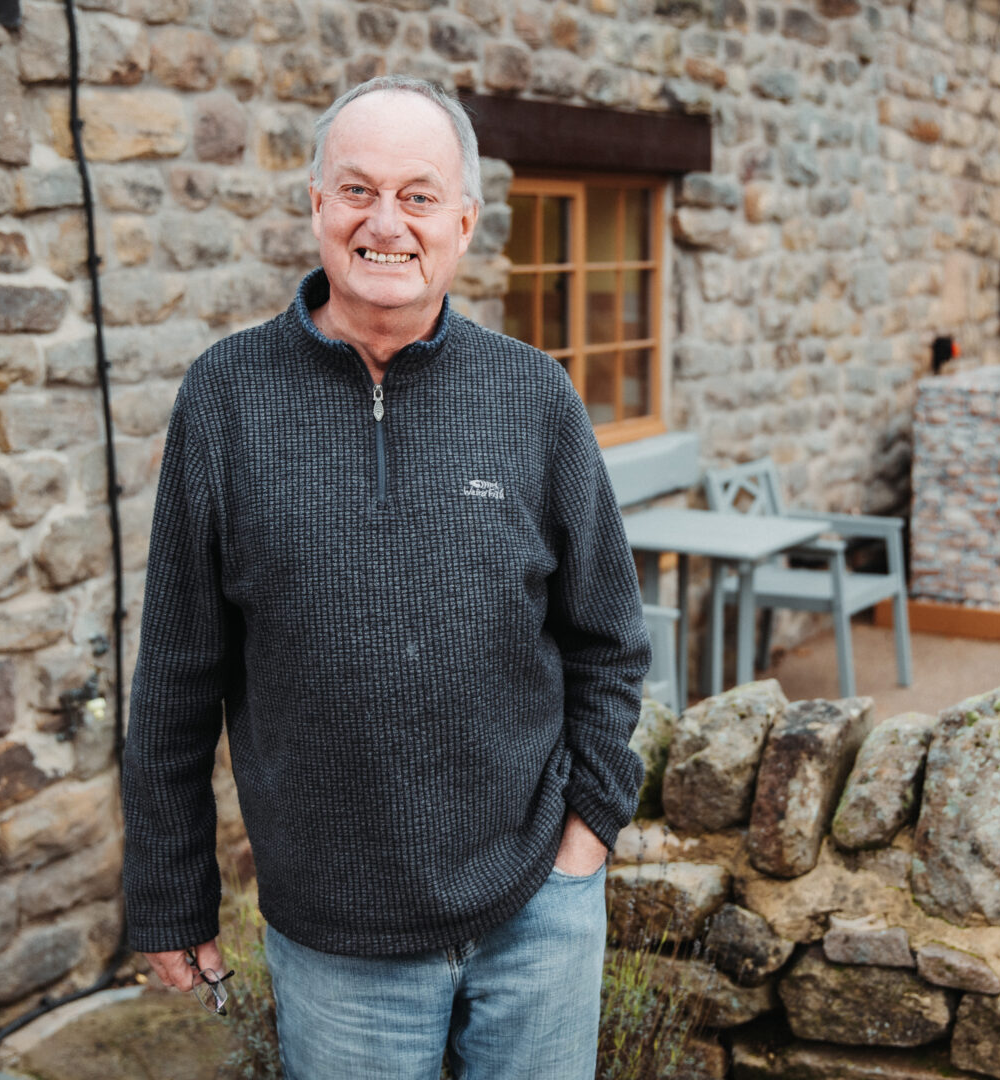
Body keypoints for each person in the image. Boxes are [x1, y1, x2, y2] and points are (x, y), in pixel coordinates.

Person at [120, 75, 650, 1078]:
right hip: (338, 942)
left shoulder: (533, 396)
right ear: (317, 206)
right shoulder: (224, 400)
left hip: (536, 910)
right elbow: (179, 674)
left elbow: (610, 638)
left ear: (463, 220)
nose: (385, 223)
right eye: (357, 190)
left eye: (417, 195)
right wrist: (171, 892)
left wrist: (586, 841)